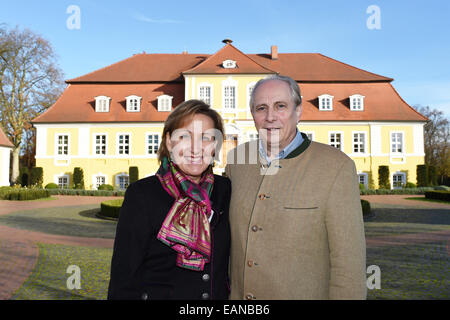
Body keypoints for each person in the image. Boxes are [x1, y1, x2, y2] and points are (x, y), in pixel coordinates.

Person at [225, 75, 366, 300]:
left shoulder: (336, 167)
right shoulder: (237, 160)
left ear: (298, 111)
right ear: (252, 114)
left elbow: (349, 267)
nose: (270, 117)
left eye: (280, 106)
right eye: (261, 108)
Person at [108, 99, 231, 300]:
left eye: (206, 138)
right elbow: (124, 277)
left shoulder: (225, 190)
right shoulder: (142, 194)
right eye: (184, 136)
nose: (195, 148)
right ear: (168, 142)